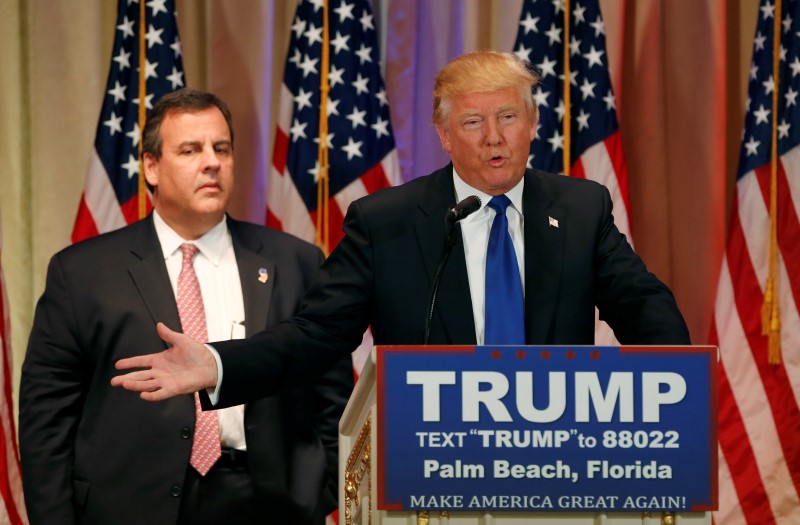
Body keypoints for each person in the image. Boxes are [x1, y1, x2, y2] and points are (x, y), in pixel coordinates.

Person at [111, 50, 690, 409]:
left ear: (533, 122)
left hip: (557, 465)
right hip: (434, 469)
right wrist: (218, 364)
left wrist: (677, 382)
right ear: (443, 133)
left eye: (508, 117)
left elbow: (642, 303)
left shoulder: (582, 208)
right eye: (472, 121)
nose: (494, 137)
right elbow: (317, 335)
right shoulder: (385, 222)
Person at [20, 88, 353, 525]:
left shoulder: (295, 261)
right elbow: (47, 419)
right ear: (152, 167)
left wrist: (319, 485)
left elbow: (333, 396)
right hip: (129, 505)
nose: (212, 161)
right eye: (191, 150)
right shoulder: (82, 273)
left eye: (222, 148)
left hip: (268, 504)